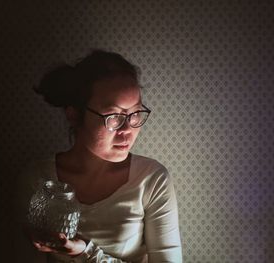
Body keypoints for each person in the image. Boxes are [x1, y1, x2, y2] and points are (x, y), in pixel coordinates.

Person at [14, 50, 182, 262]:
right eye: (113, 116)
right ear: (74, 114)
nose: (128, 129)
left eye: (135, 113)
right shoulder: (38, 180)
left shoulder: (151, 179)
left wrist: (85, 252)